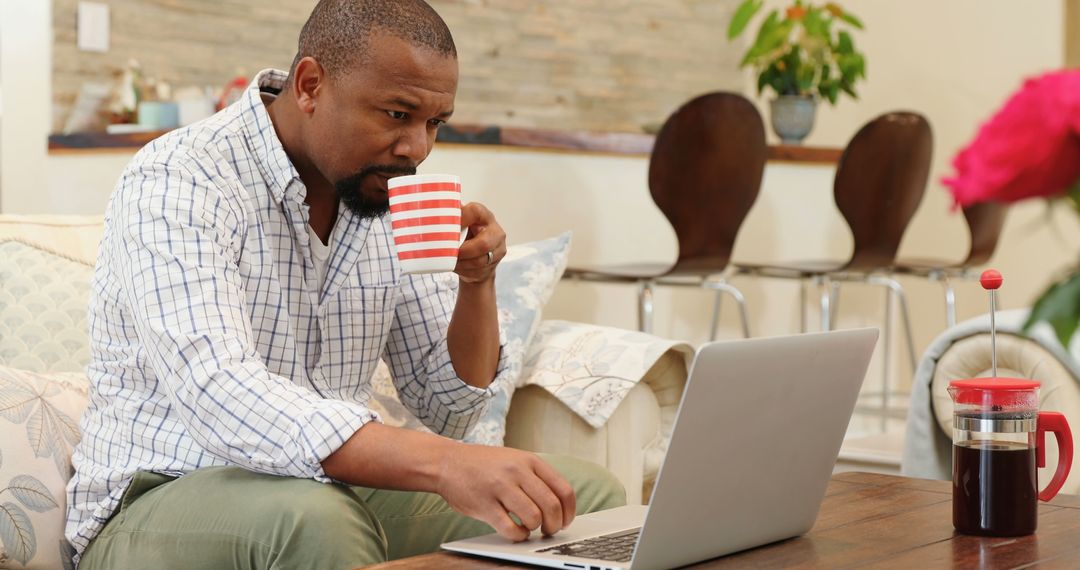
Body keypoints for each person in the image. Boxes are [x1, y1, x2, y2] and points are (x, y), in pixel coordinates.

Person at [66, 1, 626, 567]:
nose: (417, 149)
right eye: (396, 114)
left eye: (434, 122)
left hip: (324, 492)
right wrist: (445, 463)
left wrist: (476, 283)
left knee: (577, 498)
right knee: (316, 520)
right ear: (310, 85)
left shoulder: (380, 192)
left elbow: (450, 407)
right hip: (155, 499)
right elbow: (219, 393)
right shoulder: (180, 178)